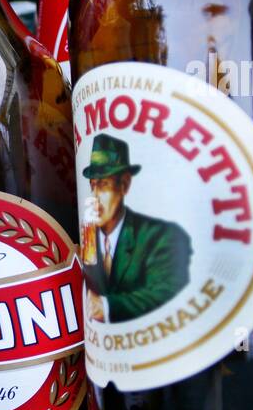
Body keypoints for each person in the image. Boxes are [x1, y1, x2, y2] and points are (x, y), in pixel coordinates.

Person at [81, 134, 191, 323]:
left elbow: (166, 291)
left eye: (103, 185)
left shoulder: (161, 236)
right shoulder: (89, 239)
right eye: (92, 186)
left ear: (124, 185)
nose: (95, 197)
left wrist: (106, 307)